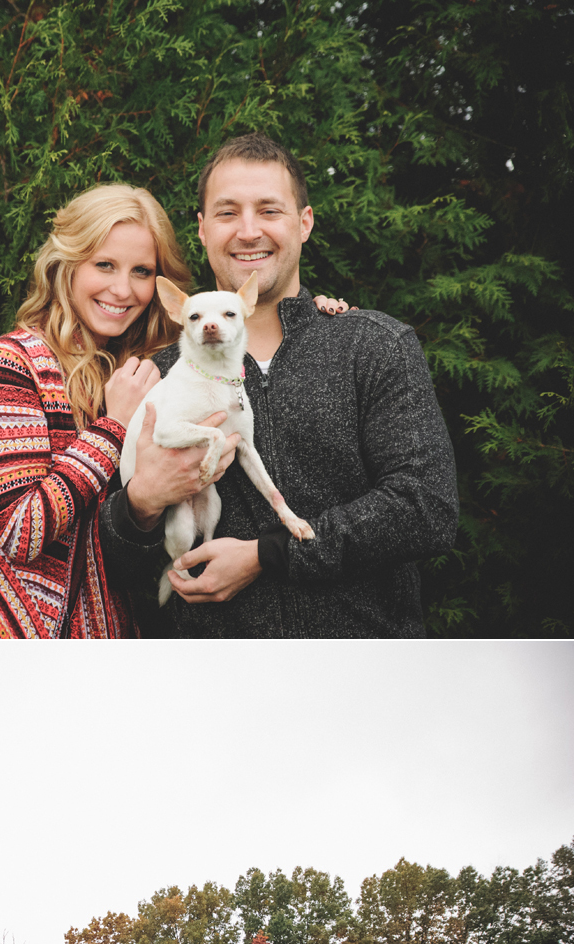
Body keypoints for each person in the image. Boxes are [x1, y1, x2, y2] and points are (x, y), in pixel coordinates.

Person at [0, 182, 351, 638]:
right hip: (18, 642)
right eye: (104, 265)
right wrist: (111, 429)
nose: (122, 290)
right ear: (67, 265)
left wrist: (315, 318)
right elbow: (19, 532)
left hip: (113, 643)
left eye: (141, 271)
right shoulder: (12, 365)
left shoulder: (145, 366)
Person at [99, 133, 459, 638]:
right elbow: (111, 565)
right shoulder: (160, 374)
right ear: (202, 230)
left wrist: (271, 555)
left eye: (269, 211)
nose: (249, 231)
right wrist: (140, 504)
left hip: (368, 671)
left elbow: (426, 507)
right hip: (218, 683)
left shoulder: (372, 346)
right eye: (227, 213)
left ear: (304, 223)